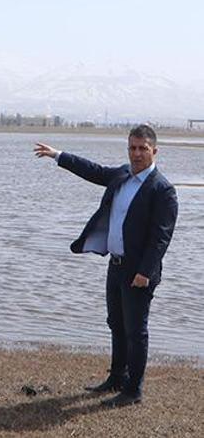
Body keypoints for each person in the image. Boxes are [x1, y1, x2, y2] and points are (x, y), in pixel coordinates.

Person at [33, 124, 178, 408]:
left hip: (139, 273)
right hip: (116, 265)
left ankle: (133, 390)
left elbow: (161, 237)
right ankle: (116, 378)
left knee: (136, 331)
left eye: (142, 149)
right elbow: (94, 171)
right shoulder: (122, 175)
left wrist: (144, 272)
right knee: (116, 324)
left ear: (154, 151)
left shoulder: (163, 190)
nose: (136, 154)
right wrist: (58, 155)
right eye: (132, 148)